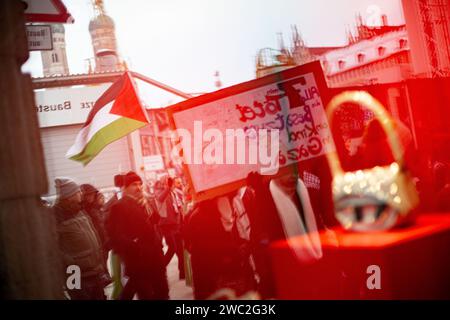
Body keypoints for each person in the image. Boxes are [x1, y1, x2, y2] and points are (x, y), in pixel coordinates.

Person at [108, 171, 169, 300]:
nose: (139, 187)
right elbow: (116, 237)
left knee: (163, 292)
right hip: (139, 262)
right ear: (126, 187)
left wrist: (148, 206)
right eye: (134, 184)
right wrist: (135, 246)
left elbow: (156, 220)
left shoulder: (144, 202)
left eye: (140, 184)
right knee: (148, 295)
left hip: (156, 258)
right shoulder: (119, 206)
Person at [52, 177, 108, 300]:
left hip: (93, 271)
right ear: (69, 196)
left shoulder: (80, 210)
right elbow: (51, 247)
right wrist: (69, 261)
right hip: (74, 273)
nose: (81, 194)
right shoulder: (55, 216)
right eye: (77, 192)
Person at [156, 177, 185, 279]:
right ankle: (159, 270)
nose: (170, 184)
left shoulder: (174, 193)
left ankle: (183, 273)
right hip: (166, 225)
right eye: (167, 182)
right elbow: (160, 198)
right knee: (172, 248)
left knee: (180, 250)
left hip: (176, 224)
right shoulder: (160, 192)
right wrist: (168, 188)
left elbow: (177, 207)